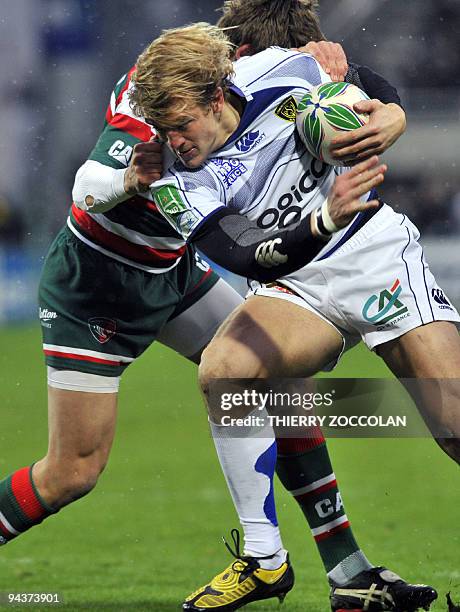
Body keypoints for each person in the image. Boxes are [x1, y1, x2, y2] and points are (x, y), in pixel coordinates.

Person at [0, 3, 414, 611]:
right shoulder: (159, 101)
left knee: (276, 386)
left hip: (171, 270)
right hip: (96, 286)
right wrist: (131, 183)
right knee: (73, 471)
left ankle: (345, 573)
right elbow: (86, 185)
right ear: (234, 66)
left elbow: (338, 83)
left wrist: (371, 94)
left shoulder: (238, 74)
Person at [130, 18, 460, 611]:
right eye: (163, 128)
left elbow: (364, 82)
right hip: (295, 281)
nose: (174, 141)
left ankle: (346, 567)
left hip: (375, 255)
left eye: (181, 124)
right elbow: (241, 253)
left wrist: (390, 113)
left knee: (453, 423)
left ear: (214, 96)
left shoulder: (282, 71)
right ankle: (264, 558)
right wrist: (321, 220)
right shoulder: (171, 180)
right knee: (224, 371)